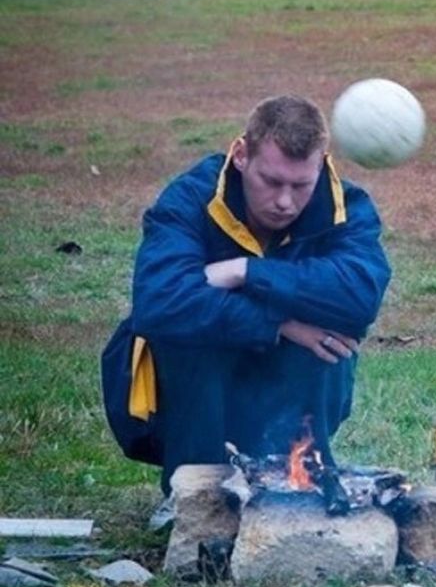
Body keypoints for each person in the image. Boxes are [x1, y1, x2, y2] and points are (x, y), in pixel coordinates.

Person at [102, 94, 391, 497]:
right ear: (240, 155)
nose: (285, 201)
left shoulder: (347, 206)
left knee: (329, 333)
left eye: (300, 185)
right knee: (191, 333)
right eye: (271, 181)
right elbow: (158, 303)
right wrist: (279, 323)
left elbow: (361, 296)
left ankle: (299, 487)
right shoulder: (190, 199)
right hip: (175, 405)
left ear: (322, 164)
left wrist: (246, 272)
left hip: (284, 391)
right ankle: (196, 500)